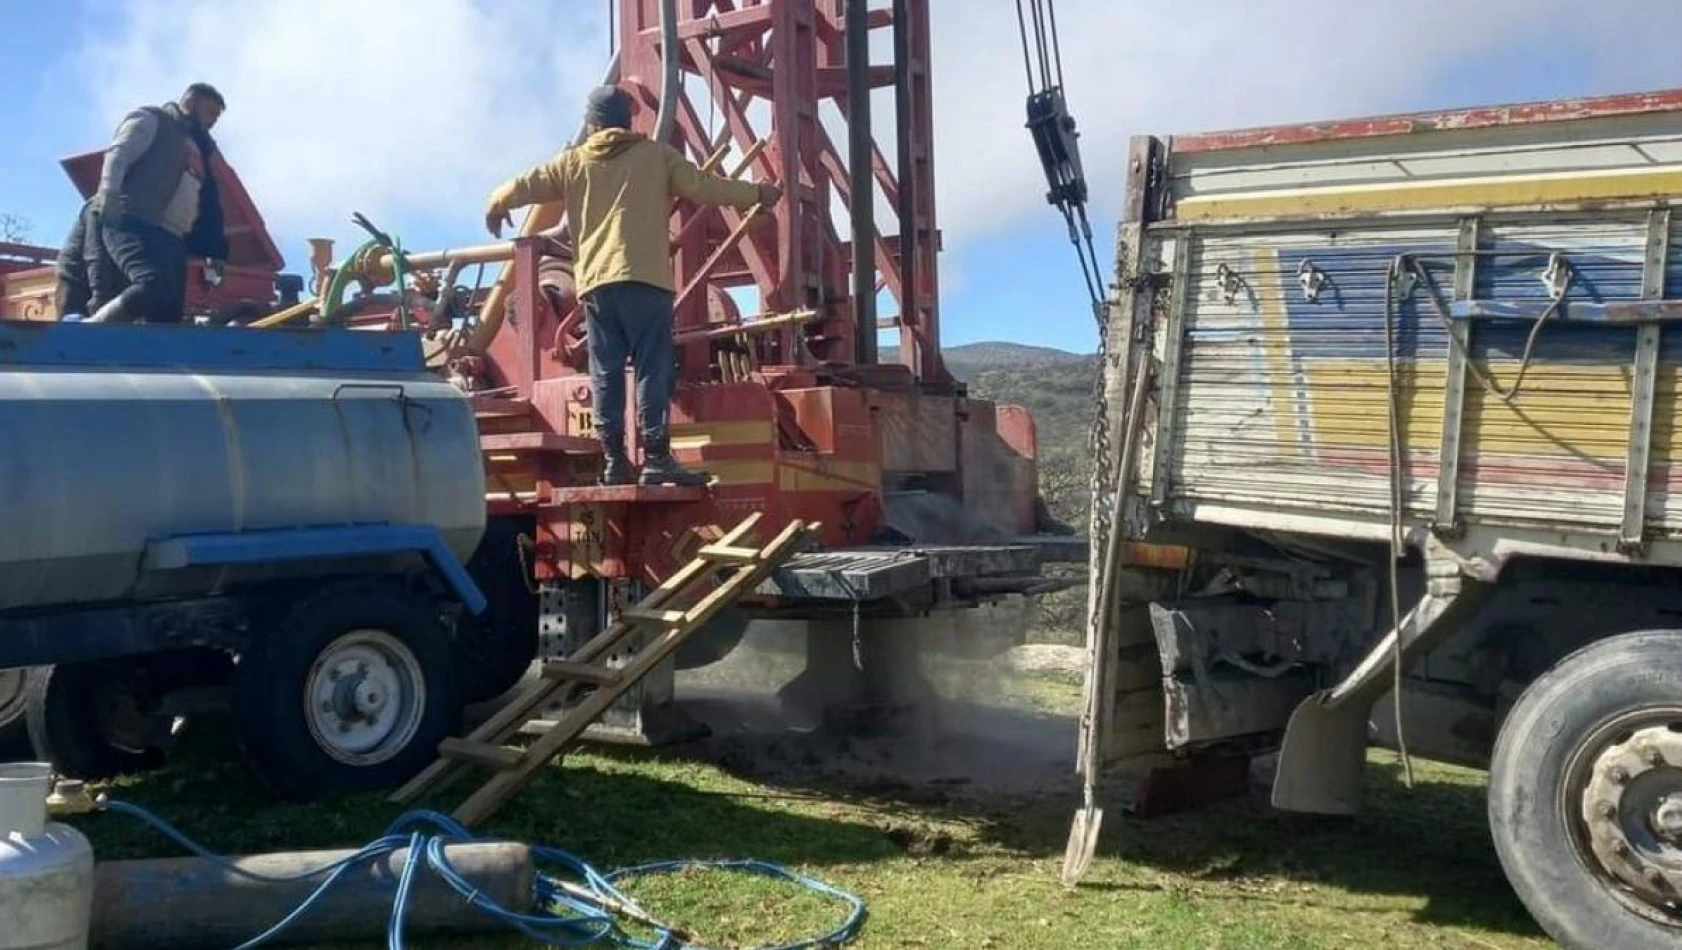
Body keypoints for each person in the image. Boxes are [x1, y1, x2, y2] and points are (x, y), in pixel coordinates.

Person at [482, 84, 783, 487]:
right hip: (645, 281)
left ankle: (614, 461)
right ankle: (657, 457)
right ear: (628, 121)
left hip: (597, 285)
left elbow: (522, 185)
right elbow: (706, 187)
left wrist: (496, 203)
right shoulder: (657, 158)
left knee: (605, 372)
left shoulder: (572, 164)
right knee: (651, 367)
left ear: (591, 124)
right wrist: (758, 194)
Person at [83, 83, 230, 324]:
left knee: (169, 309)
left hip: (171, 236)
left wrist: (214, 249)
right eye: (210, 112)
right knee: (154, 284)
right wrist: (109, 194)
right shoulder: (154, 120)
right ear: (191, 103)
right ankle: (94, 329)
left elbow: (209, 200)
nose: (213, 121)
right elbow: (118, 153)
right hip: (133, 217)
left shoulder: (200, 147)